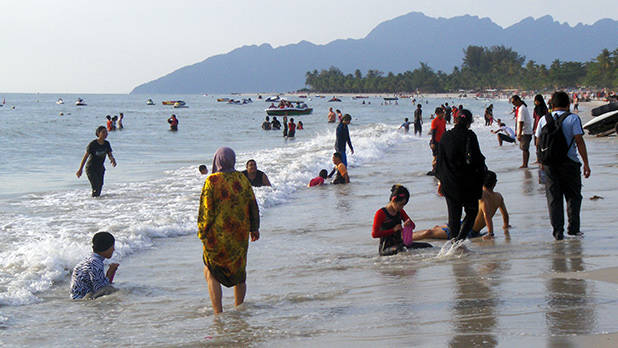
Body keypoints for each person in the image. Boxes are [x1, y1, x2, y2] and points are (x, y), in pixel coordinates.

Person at [198, 147, 260, 314]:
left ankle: (218, 312)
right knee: (239, 272)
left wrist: (202, 232)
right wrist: (254, 228)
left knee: (211, 271)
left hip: (216, 236)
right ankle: (239, 308)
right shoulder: (242, 178)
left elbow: (206, 210)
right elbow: (252, 204)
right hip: (239, 234)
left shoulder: (212, 181)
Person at [535, 91, 590, 240]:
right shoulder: (573, 119)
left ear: (552, 105)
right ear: (568, 104)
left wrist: (540, 161)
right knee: (573, 196)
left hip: (549, 165)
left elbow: (538, 142)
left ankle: (558, 231)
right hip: (570, 163)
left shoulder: (543, 120)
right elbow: (579, 141)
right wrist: (586, 164)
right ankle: (573, 229)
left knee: (553, 198)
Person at [435, 109, 487, 241]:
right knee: (472, 212)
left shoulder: (445, 136)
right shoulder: (470, 136)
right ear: (469, 122)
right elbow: (477, 160)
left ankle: (454, 244)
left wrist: (440, 182)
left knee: (453, 217)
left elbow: (439, 162)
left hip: (450, 183)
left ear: (455, 120)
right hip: (469, 184)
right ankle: (460, 240)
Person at [414, 171, 510, 241]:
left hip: (467, 230)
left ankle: (404, 238)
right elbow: (505, 214)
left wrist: (490, 233)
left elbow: (486, 214)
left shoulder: (482, 194)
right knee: (434, 230)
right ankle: (404, 236)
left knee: (429, 233)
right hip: (464, 224)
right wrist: (506, 225)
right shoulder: (498, 196)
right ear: (495, 183)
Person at [371, 185, 432, 256]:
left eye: (404, 205)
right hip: (386, 248)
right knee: (402, 249)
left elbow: (413, 226)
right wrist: (393, 230)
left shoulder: (400, 211)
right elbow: (374, 234)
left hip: (400, 244)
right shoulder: (380, 213)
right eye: (401, 204)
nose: (402, 207)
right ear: (393, 200)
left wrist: (408, 224)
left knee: (427, 245)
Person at [70, 232, 119, 299]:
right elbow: (100, 289)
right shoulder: (95, 263)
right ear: (105, 247)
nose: (113, 249)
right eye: (112, 247)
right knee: (118, 292)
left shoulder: (88, 259)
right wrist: (111, 272)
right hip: (82, 300)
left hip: (76, 297)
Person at [76, 126, 117, 197]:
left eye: (106, 132)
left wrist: (112, 160)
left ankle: (96, 203)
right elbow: (85, 157)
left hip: (100, 168)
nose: (105, 134)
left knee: (100, 186)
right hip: (91, 168)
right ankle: (92, 203)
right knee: (96, 186)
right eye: (103, 132)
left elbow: (109, 154)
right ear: (98, 133)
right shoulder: (93, 144)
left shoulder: (107, 144)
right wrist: (80, 169)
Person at [512, 95, 533, 168]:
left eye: (513, 102)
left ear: (518, 100)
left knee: (525, 149)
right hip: (526, 131)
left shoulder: (522, 109)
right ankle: (525, 163)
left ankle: (525, 164)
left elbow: (521, 122)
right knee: (524, 148)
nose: (513, 104)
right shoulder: (521, 107)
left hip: (525, 132)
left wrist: (519, 134)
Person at [428, 107, 447, 175]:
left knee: (441, 156)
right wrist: (433, 143)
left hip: (441, 141)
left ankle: (437, 169)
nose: (443, 114)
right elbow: (433, 132)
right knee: (436, 157)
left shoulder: (443, 121)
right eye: (441, 113)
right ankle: (434, 170)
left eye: (443, 113)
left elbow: (444, 130)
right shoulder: (434, 121)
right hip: (435, 142)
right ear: (437, 114)